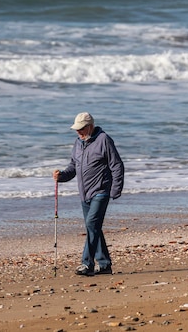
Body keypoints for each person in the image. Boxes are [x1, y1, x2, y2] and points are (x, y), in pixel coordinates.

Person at [53, 112, 124, 277]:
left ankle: (87, 263)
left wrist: (115, 189)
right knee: (94, 228)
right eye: (77, 129)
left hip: (101, 191)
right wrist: (61, 176)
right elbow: (73, 167)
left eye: (81, 129)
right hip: (84, 194)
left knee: (92, 225)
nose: (78, 132)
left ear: (90, 126)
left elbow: (117, 165)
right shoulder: (78, 143)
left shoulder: (104, 140)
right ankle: (105, 265)